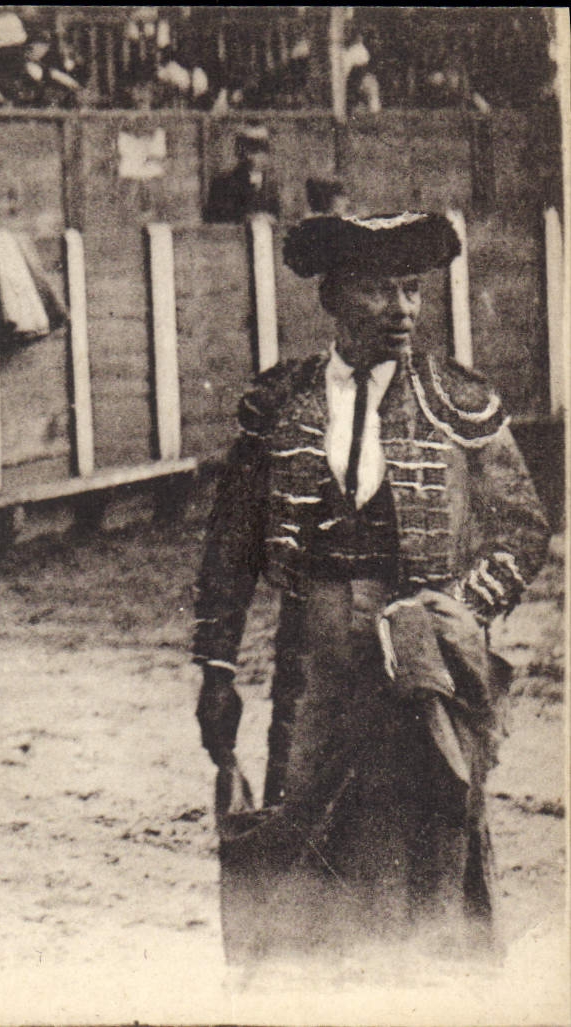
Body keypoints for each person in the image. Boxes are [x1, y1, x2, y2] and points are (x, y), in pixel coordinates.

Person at [192, 212, 550, 962]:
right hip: (314, 644)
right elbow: (230, 547)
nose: (403, 309)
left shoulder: (457, 400)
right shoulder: (279, 403)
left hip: (418, 650)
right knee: (303, 818)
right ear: (332, 298)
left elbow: (522, 527)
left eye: (412, 289)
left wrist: (464, 607)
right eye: (378, 289)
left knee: (432, 824)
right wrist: (217, 669)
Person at [204, 124, 281, 224]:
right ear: (239, 151)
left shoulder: (271, 185)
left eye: (262, 149)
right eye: (252, 149)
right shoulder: (223, 183)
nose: (252, 156)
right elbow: (216, 219)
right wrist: (247, 219)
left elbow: (277, 216)